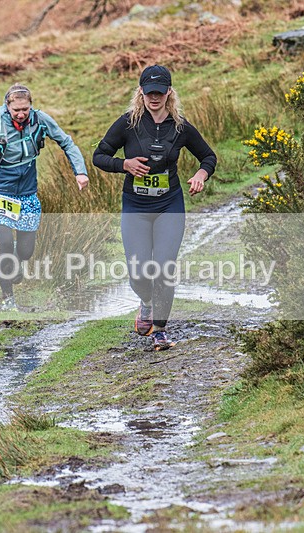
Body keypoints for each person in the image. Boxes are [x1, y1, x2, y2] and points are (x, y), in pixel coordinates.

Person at [93, 65, 216, 351]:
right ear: (141, 93)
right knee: (138, 271)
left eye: (160, 92)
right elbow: (99, 155)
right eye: (149, 93)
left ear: (169, 93)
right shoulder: (128, 124)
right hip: (135, 206)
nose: (154, 98)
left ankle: (160, 329)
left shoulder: (181, 127)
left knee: (163, 268)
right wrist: (124, 164)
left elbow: (208, 156)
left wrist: (200, 175)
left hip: (168, 205)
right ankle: (147, 302)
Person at [0, 83, 89, 311]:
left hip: (27, 193)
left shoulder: (40, 120)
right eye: (16, 109)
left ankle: (13, 266)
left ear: (31, 106)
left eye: (25, 109)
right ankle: (8, 301)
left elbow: (66, 142)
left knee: (25, 251)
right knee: (5, 245)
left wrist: (80, 171)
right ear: (7, 106)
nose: (21, 114)